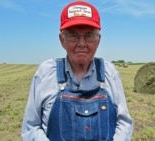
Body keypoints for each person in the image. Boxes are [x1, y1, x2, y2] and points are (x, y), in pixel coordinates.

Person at [21, 0, 133, 141]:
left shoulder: (109, 72)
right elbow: (31, 126)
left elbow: (124, 122)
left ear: (98, 40)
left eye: (89, 36)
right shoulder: (46, 73)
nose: (81, 43)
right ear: (62, 40)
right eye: (73, 36)